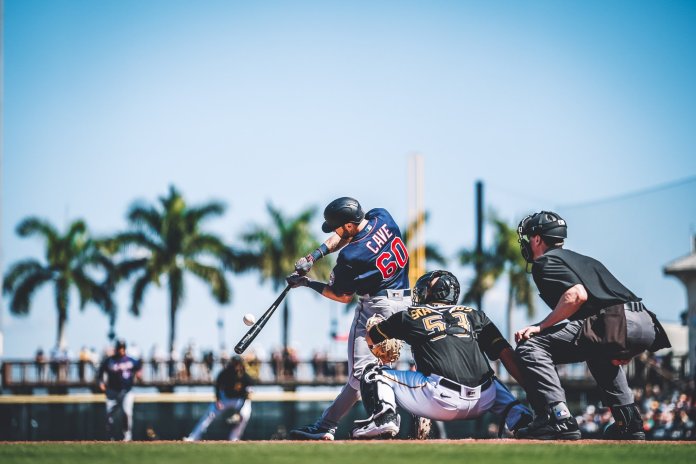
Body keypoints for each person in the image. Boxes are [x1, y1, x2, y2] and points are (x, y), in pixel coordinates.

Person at [513, 211, 670, 440]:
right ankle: (629, 421)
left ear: (537, 239)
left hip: (616, 322)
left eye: (529, 238)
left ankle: (558, 418)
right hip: (644, 322)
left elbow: (576, 295)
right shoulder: (582, 259)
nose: (527, 244)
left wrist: (541, 326)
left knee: (531, 345)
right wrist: (622, 344)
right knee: (597, 351)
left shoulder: (545, 262)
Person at [351, 270, 532, 439]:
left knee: (373, 373)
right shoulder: (475, 315)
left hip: (439, 400)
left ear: (433, 293)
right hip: (484, 400)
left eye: (425, 289)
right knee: (489, 379)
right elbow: (506, 354)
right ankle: (521, 415)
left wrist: (375, 346)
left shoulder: (411, 315)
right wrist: (532, 391)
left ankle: (385, 416)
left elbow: (371, 337)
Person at [286, 197, 411, 440]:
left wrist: (307, 283)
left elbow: (341, 296)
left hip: (377, 308)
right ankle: (411, 414)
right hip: (405, 303)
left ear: (349, 225)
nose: (334, 231)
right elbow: (347, 235)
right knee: (384, 370)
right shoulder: (382, 216)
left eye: (336, 227)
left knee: (360, 374)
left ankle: (377, 416)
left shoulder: (352, 256)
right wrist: (314, 257)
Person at [184, 355, 254, 441]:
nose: (236, 365)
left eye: (237, 364)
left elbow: (247, 395)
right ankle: (194, 437)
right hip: (225, 399)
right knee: (209, 414)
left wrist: (239, 411)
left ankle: (234, 438)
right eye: (234, 363)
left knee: (245, 415)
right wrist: (218, 400)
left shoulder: (246, 377)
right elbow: (217, 387)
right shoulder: (225, 373)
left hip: (239, 401)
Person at [97, 339, 143, 441]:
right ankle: (110, 437)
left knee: (127, 412)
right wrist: (100, 382)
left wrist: (139, 374)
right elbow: (100, 372)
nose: (121, 350)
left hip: (127, 391)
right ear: (116, 348)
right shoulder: (109, 361)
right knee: (109, 415)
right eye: (119, 348)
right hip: (112, 391)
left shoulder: (130, 360)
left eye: (122, 348)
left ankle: (127, 437)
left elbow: (139, 366)